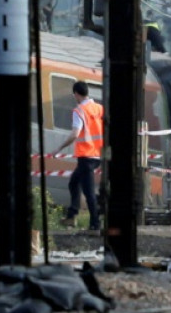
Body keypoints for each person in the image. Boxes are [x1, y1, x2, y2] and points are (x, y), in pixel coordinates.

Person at [55, 80, 103, 231]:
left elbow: (75, 134)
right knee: (74, 182)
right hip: (97, 155)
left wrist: (59, 148)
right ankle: (71, 216)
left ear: (76, 94)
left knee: (88, 192)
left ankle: (95, 225)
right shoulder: (99, 108)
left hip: (86, 156)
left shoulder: (79, 111)